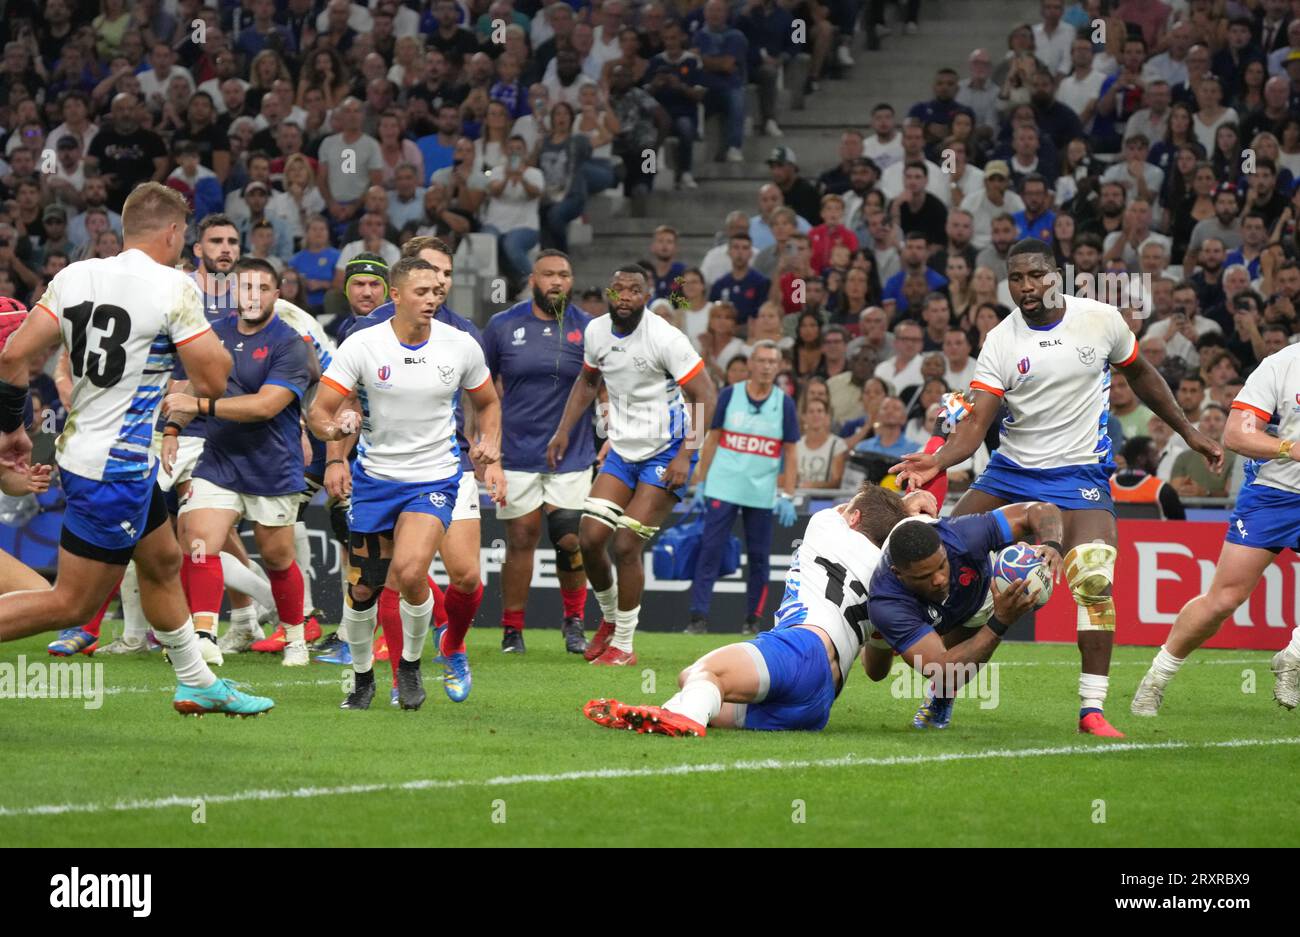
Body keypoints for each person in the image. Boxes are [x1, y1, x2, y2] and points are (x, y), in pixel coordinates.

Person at [893, 238, 1223, 738]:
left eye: (1036, 275)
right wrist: (936, 460)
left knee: (1093, 579)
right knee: (954, 569)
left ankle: (1091, 710)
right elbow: (976, 423)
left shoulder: (1101, 319)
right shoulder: (1001, 341)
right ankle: (942, 693)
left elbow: (1144, 375)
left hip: (1080, 476)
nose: (1027, 287)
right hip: (1011, 473)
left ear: (1057, 275)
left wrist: (1190, 432)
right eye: (1017, 278)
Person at [0, 183, 273, 716]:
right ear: (173, 233)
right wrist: (183, 374)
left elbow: (13, 357)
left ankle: (196, 681)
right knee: (71, 604)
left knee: (163, 559)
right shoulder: (172, 288)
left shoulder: (74, 276)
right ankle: (196, 679)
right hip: (116, 467)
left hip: (87, 452)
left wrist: (11, 427)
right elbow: (215, 379)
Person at [308, 256, 504, 711]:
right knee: (362, 590)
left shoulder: (460, 345)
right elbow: (320, 411)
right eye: (422, 292)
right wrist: (335, 434)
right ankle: (361, 679)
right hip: (375, 481)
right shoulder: (363, 345)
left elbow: (488, 401)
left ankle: (411, 667)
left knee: (412, 571)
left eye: (437, 292)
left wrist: (488, 441)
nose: (432, 299)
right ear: (395, 295)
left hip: (434, 478)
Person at [546, 265, 716, 665]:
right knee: (588, 538)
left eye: (634, 290)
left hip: (666, 451)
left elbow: (705, 392)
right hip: (623, 451)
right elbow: (588, 382)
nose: (625, 295)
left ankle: (624, 644)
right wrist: (564, 431)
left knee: (625, 544)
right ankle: (608, 622)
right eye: (618, 288)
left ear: (646, 295)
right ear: (609, 292)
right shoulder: (596, 332)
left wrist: (687, 455)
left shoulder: (665, 337)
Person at [1133, 340, 1300, 715]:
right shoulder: (1282, 365)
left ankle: (1293, 655)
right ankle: (1156, 678)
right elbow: (1237, 435)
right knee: (1224, 599)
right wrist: (1290, 448)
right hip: (1274, 495)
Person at [163, 259, 315, 666]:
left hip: (273, 465)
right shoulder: (213, 335)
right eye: (245, 288)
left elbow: (265, 406)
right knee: (197, 543)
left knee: (279, 559)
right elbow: (190, 385)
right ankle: (204, 634)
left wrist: (197, 405)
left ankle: (296, 636)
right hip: (220, 460)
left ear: (276, 294)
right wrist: (174, 430)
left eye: (262, 288)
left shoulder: (290, 343)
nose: (253, 296)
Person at [482, 250, 595, 654]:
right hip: (515, 452)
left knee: (568, 538)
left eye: (564, 274)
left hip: (573, 454)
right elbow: (478, 388)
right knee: (521, 538)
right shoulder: (502, 325)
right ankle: (513, 629)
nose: (557, 282)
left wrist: (612, 435)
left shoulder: (590, 328)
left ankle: (574, 622)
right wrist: (483, 445)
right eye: (549, 275)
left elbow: (604, 386)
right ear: (533, 279)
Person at [685, 341, 799, 635]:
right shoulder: (730, 395)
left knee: (759, 557)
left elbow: (791, 452)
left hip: (760, 493)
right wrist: (701, 481)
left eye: (772, 362)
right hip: (722, 486)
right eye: (761, 360)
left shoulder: (783, 403)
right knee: (709, 550)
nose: (766, 367)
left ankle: (753, 620)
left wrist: (787, 494)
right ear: (751, 363)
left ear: (779, 366)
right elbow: (712, 439)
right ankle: (698, 618)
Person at [1109, 435, 1185, 519]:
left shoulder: (1105, 487)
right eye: (1155, 455)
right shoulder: (1163, 490)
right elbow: (1181, 527)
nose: (1159, 459)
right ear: (1141, 459)